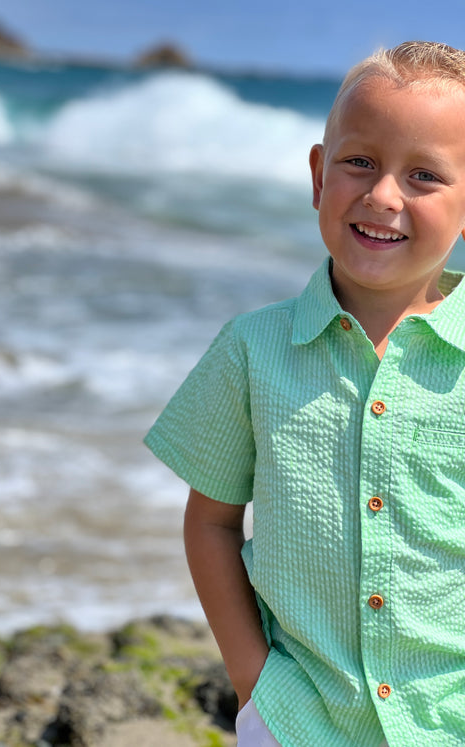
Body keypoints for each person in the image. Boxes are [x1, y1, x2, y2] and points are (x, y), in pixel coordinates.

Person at [144, 40, 465, 746]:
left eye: (423, 175)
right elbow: (212, 523)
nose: (383, 195)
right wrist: (254, 684)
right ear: (319, 175)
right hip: (299, 723)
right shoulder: (253, 349)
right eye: (360, 162)